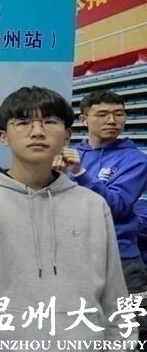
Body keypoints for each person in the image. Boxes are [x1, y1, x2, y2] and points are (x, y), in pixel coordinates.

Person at [0, 86, 128, 345]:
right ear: (3, 136)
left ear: (67, 134)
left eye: (50, 121)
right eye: (23, 122)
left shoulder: (92, 205)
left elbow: (114, 295)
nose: (37, 131)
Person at [55, 90, 147, 303]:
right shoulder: (72, 154)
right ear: (84, 119)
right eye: (102, 114)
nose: (112, 120)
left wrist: (80, 173)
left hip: (120, 257)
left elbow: (117, 206)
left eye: (119, 114)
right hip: (76, 254)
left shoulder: (135, 160)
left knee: (129, 320)